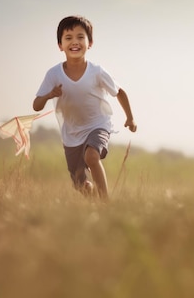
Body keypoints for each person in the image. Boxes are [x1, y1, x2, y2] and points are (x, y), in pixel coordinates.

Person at [33, 15, 137, 201]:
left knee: (91, 156)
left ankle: (105, 204)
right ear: (60, 45)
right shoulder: (54, 74)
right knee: (80, 184)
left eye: (81, 37)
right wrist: (49, 95)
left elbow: (119, 92)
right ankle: (94, 200)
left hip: (98, 125)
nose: (75, 42)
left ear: (90, 43)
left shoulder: (96, 71)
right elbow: (36, 105)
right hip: (71, 135)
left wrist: (130, 117)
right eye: (68, 38)